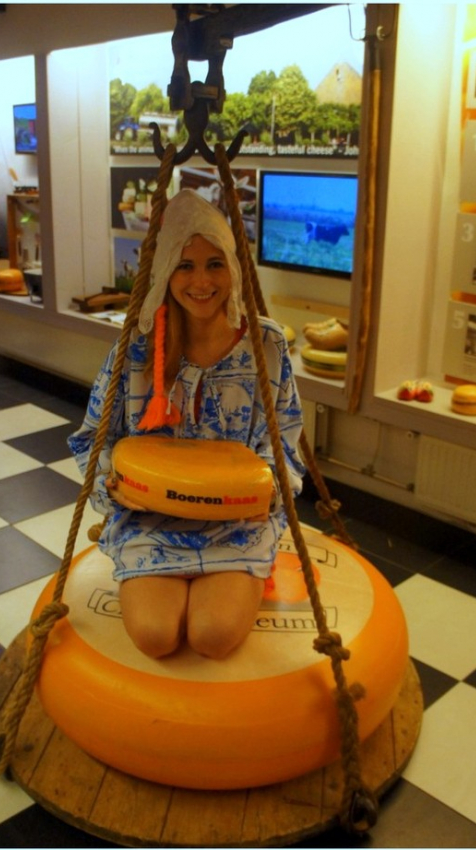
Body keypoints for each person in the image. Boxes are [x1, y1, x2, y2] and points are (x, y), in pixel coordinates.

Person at [68, 189, 305, 661]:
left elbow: (286, 448)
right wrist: (112, 487)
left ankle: (242, 571)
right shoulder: (136, 349)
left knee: (212, 636)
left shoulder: (267, 345)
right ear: (164, 271)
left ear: (234, 269)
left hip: (236, 521)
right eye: (185, 265)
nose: (201, 280)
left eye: (215, 264)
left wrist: (268, 493)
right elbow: (93, 440)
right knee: (156, 636)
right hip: (150, 518)